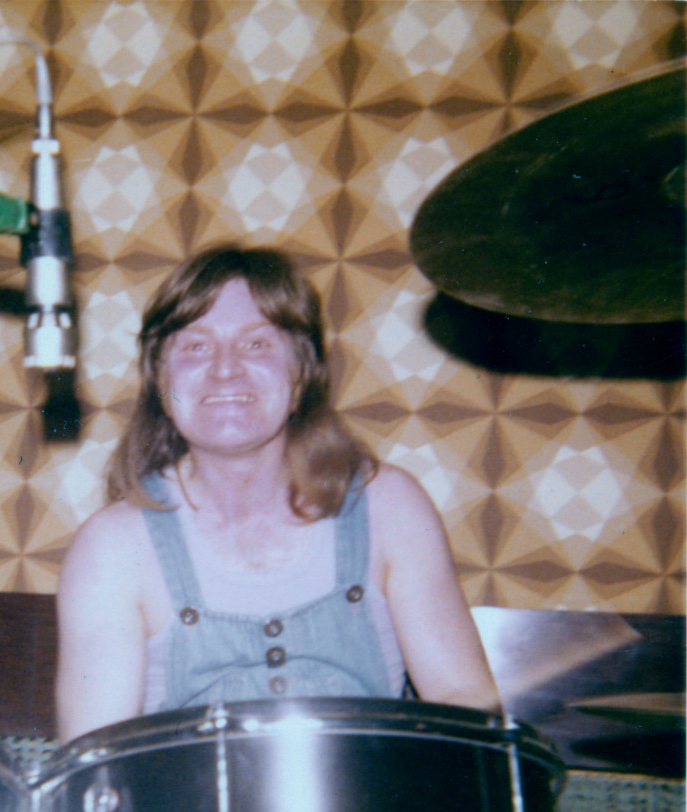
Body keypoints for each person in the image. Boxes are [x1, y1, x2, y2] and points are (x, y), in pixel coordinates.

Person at [55, 244, 499, 742]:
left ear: (301, 372)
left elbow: (468, 710)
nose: (226, 369)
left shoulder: (390, 507)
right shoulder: (111, 548)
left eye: (257, 344)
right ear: (161, 378)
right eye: (195, 346)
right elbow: (96, 764)